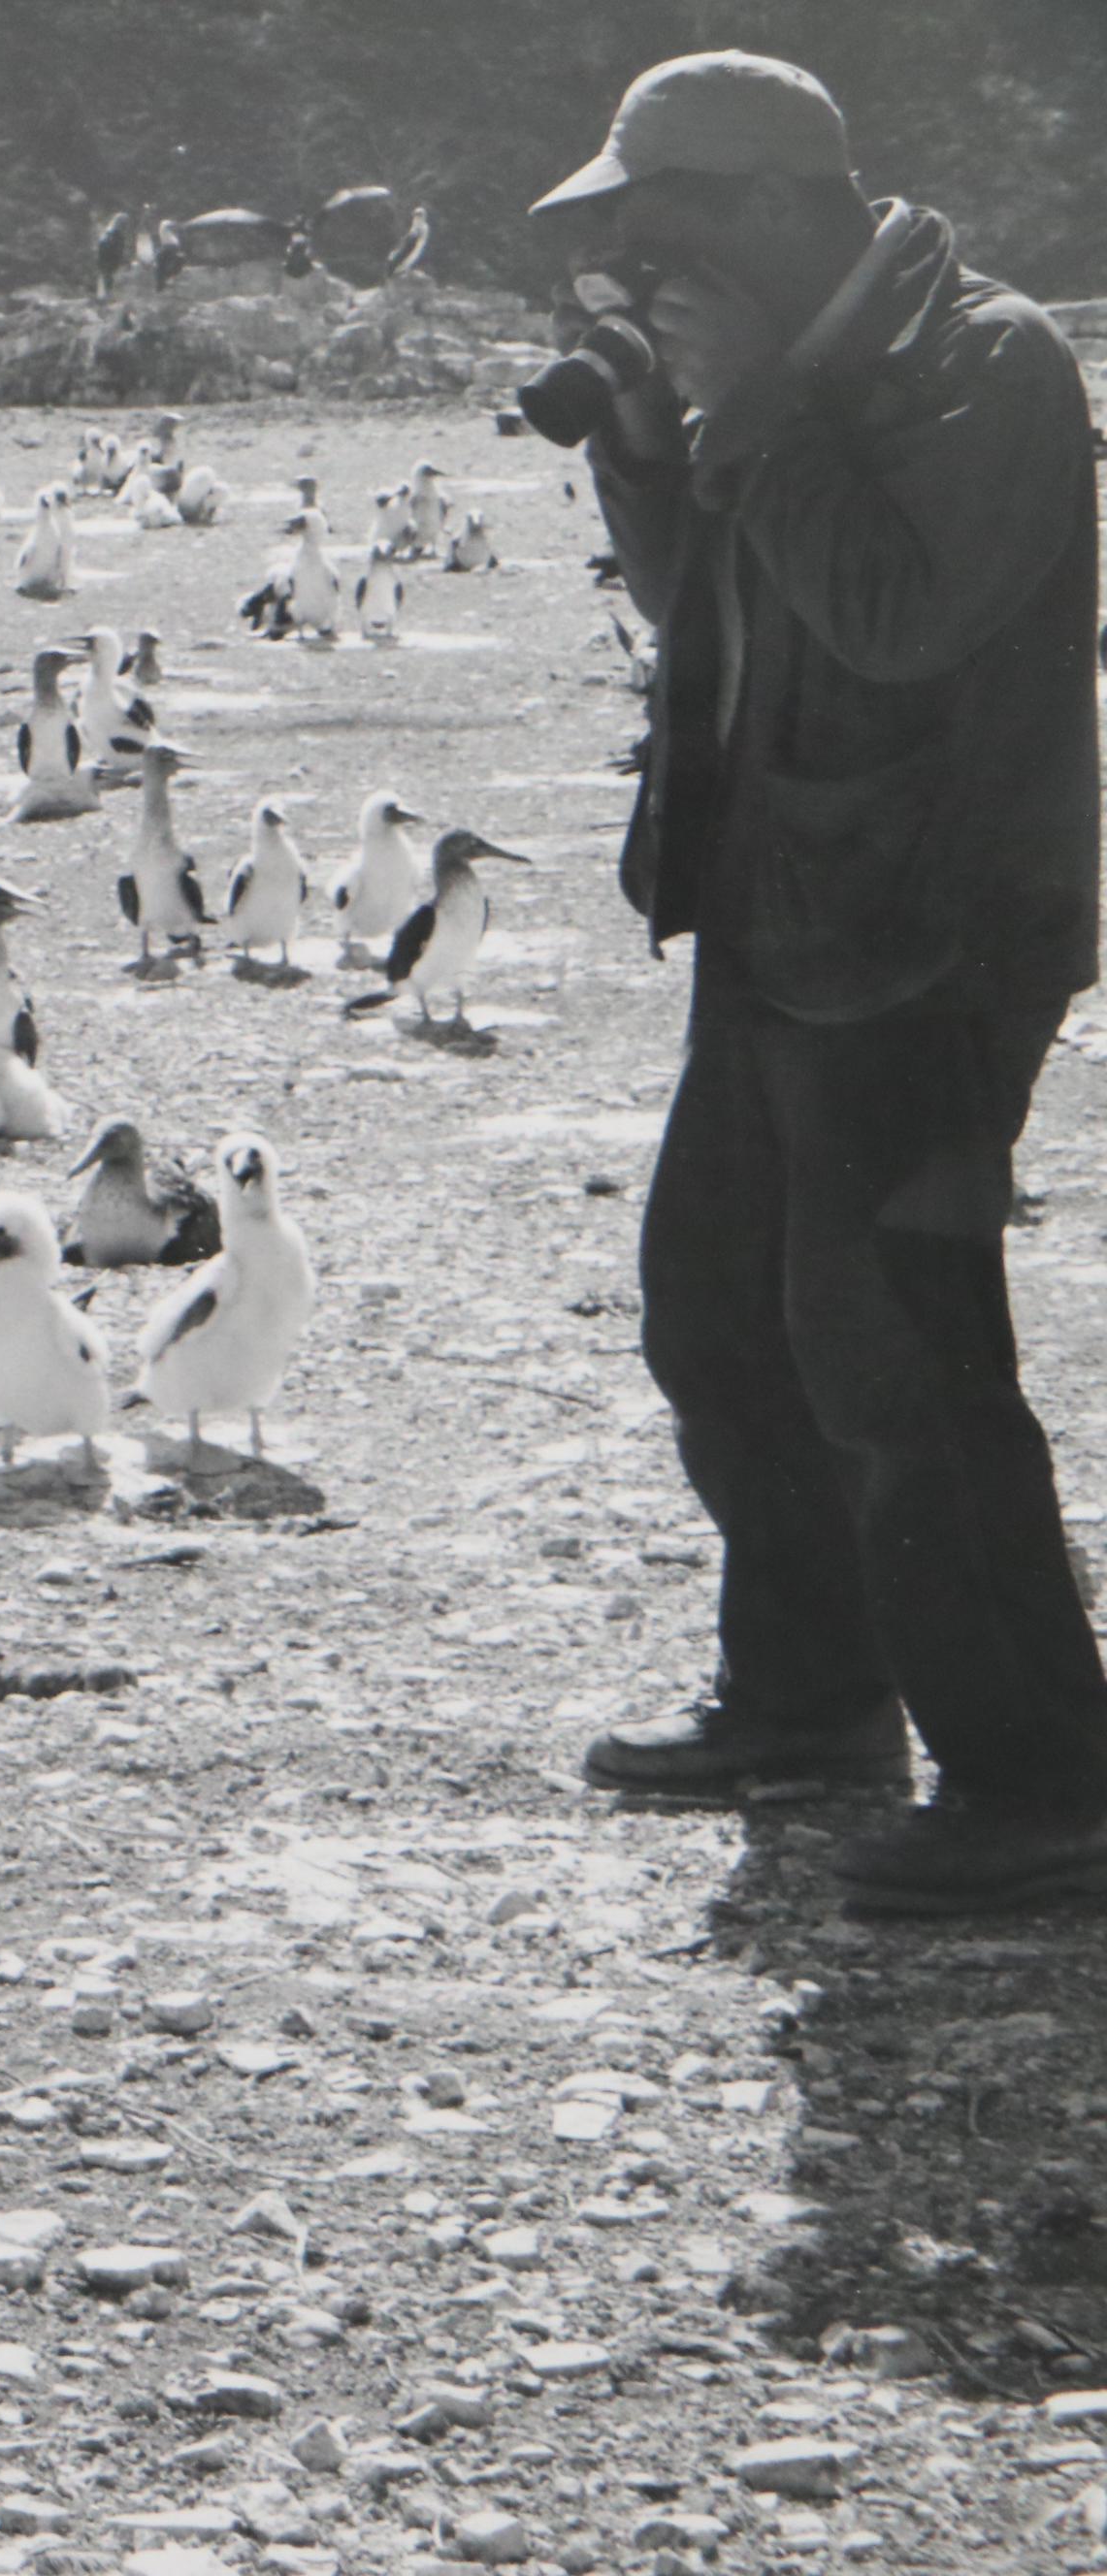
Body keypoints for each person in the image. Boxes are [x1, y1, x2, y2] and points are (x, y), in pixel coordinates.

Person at [541, 52, 1107, 1914]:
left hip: (934, 933)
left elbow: (895, 616)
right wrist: (653, 439)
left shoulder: (986, 365)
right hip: (787, 900)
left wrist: (750, 403)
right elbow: (710, 596)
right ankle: (811, 1699)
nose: (638, 259)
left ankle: (1048, 1786)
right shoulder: (789, 372)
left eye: (665, 227)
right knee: (718, 1311)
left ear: (782, 205)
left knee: (898, 1352)